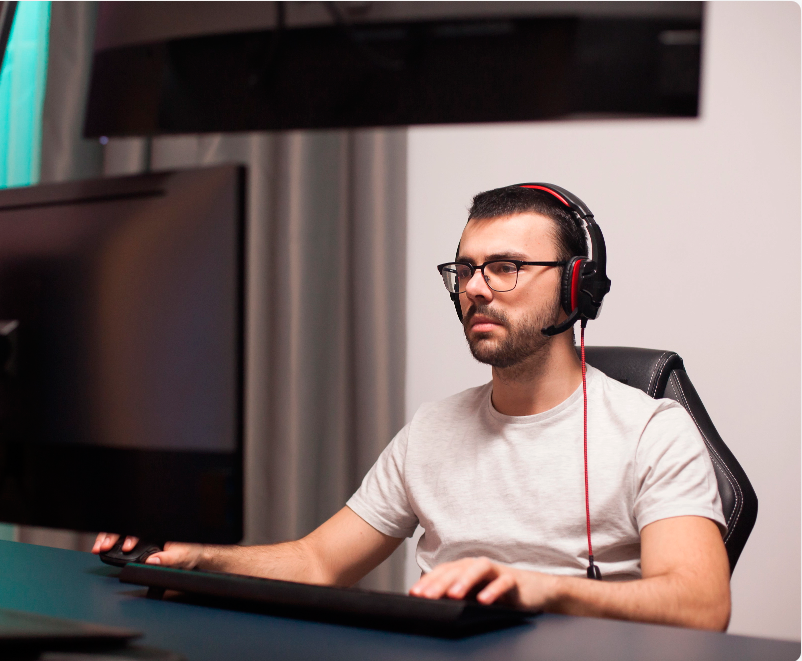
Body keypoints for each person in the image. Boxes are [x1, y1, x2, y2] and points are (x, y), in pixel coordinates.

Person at [93, 184, 731, 631]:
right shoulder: (433, 428)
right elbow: (319, 561)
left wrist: (534, 589)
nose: (475, 289)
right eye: (465, 270)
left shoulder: (650, 430)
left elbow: (702, 606)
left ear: (575, 285)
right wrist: (201, 557)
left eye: (505, 268)